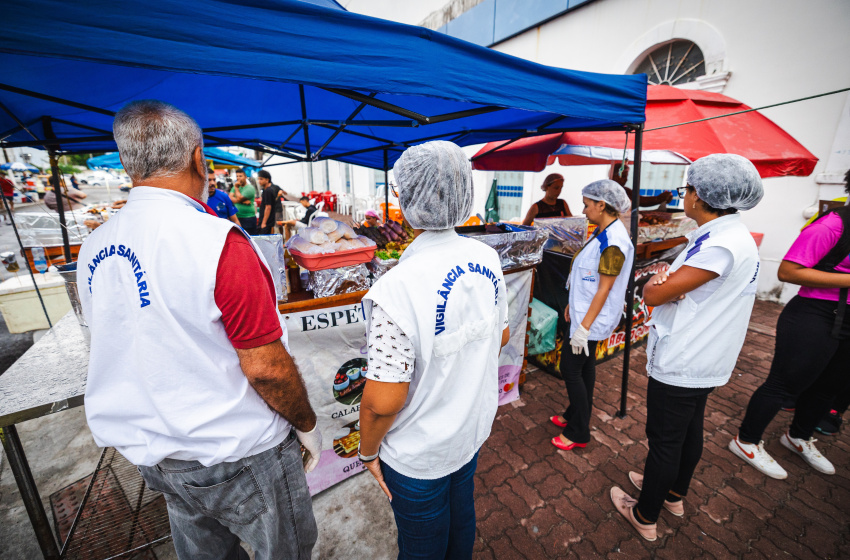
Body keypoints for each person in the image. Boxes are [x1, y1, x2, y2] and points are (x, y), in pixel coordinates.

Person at [78, 100, 321, 559]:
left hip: (161, 457)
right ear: (197, 159)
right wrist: (306, 423)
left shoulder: (95, 247)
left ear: (131, 165)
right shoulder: (217, 242)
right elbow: (267, 368)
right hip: (239, 453)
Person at [358, 141, 510, 559]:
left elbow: (382, 401)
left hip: (419, 455)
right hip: (469, 432)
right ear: (465, 192)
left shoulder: (398, 287)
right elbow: (500, 336)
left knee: (423, 547)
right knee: (461, 525)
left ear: (403, 197)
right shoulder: (487, 257)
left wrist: (367, 451)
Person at [610, 154, 764, 542]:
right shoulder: (729, 236)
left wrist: (658, 286)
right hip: (707, 353)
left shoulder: (721, 244)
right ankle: (674, 493)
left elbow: (655, 293)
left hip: (687, 356)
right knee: (689, 428)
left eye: (687, 189)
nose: (685, 196)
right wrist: (667, 286)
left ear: (701, 195)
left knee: (664, 439)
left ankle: (645, 513)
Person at [729, 171, 850, 478]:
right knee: (785, 383)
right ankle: (747, 441)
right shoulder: (834, 223)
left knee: (828, 388)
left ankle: (798, 437)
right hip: (816, 312)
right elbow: (789, 271)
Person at [550, 180, 634, 451]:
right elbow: (587, 278)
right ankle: (574, 415)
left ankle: (578, 432)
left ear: (601, 204)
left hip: (591, 320)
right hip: (583, 314)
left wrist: (583, 327)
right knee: (585, 367)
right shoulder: (603, 231)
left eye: (587, 205)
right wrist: (572, 305)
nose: (584, 210)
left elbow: (605, 289)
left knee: (570, 369)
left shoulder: (614, 242)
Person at [609, 164, 674, 208]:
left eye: (626, 176)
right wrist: (659, 199)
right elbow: (640, 201)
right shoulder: (610, 190)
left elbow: (639, 200)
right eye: (623, 176)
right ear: (613, 176)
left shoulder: (626, 190)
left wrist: (660, 199)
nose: (626, 179)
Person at [229, 167, 257, 234]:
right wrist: (243, 201)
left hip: (248, 218)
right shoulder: (236, 186)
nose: (238, 178)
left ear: (245, 177)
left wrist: (236, 188)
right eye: (237, 176)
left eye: (240, 176)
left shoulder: (250, 188)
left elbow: (239, 198)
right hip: (237, 218)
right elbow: (229, 198)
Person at [257, 169, 283, 235]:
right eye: (258, 179)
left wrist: (264, 222)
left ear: (267, 179)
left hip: (267, 222)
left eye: (261, 179)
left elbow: (268, 207)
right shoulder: (267, 190)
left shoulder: (268, 191)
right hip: (269, 221)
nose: (259, 181)